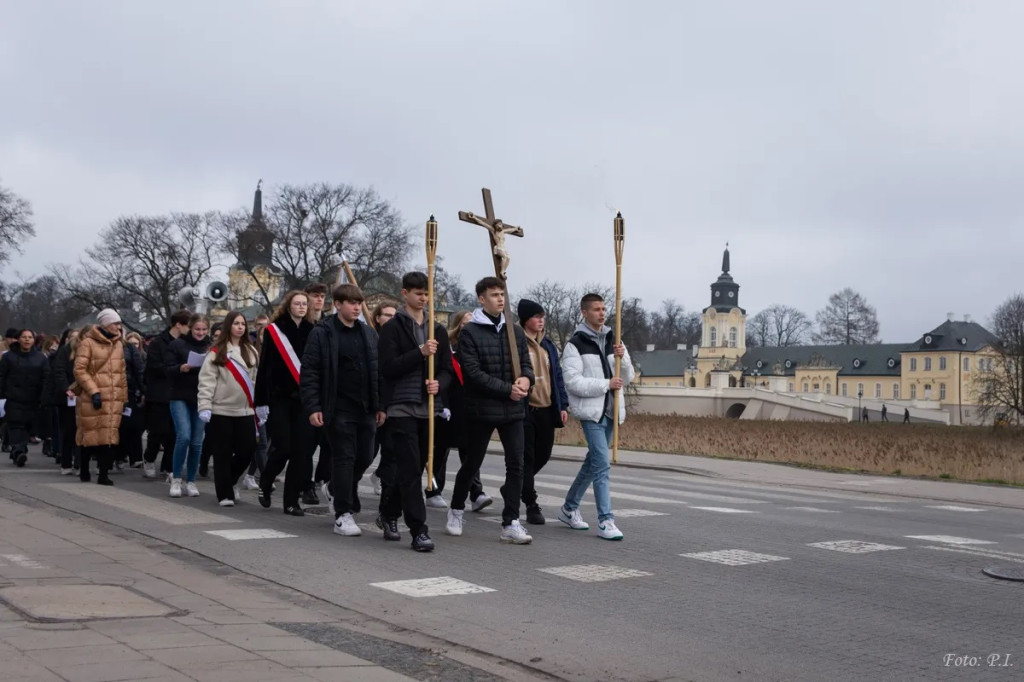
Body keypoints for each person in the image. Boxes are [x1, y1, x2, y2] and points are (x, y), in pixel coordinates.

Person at [446, 277, 535, 545]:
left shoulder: (515, 331)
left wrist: (526, 381)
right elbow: (472, 373)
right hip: (482, 408)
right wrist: (507, 388)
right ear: (481, 300)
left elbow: (526, 364)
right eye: (494, 295)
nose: (500, 299)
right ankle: (457, 509)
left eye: (502, 295)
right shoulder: (471, 331)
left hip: (513, 409)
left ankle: (511, 522)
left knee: (516, 464)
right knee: (472, 463)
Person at [300, 284, 390, 542]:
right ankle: (343, 513)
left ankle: (335, 488)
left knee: (364, 456)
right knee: (344, 457)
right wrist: (313, 406)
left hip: (365, 407)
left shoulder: (368, 333)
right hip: (337, 407)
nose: (356, 307)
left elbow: (378, 372)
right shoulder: (323, 333)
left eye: (359, 303)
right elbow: (311, 371)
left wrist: (381, 405)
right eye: (351, 303)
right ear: (337, 304)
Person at [375, 273, 451, 551]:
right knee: (409, 469)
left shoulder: (437, 330)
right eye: (418, 293)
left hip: (429, 407)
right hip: (402, 407)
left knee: (415, 467)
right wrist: (419, 352)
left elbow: (446, 368)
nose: (423, 298)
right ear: (405, 293)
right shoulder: (394, 328)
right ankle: (419, 530)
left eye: (426, 293)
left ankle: (389, 513)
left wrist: (438, 383)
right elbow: (389, 368)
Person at [558, 292, 634, 541]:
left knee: (592, 464)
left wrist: (622, 360)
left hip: (613, 411)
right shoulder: (575, 344)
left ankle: (569, 508)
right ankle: (606, 520)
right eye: (596, 309)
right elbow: (572, 382)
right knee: (602, 465)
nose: (602, 313)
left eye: (603, 309)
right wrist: (606, 384)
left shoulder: (615, 338)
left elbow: (629, 377)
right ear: (585, 313)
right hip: (592, 413)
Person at [255, 290, 314, 515]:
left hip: (304, 400)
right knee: (283, 447)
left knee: (301, 452)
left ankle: (291, 501)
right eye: (297, 303)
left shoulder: (312, 330)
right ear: (288, 305)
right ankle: (266, 481)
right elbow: (265, 367)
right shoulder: (275, 330)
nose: (301, 307)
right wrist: (260, 401)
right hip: (279, 398)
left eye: (304, 304)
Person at [198, 311, 260, 506]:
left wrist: (261, 405)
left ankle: (231, 480)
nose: (240, 327)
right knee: (222, 453)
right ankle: (224, 493)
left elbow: (256, 380)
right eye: (236, 323)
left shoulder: (251, 350)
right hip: (221, 410)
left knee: (247, 450)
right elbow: (207, 381)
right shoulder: (217, 351)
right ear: (228, 326)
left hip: (246, 410)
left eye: (242, 323)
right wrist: (204, 406)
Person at [432, 310, 491, 511]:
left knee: (472, 451)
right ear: (458, 325)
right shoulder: (448, 348)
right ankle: (434, 489)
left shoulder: (478, 349)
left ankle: (476, 493)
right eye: (465, 323)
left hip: (470, 405)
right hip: (449, 405)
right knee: (441, 449)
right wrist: (441, 404)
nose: (469, 327)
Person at [517, 299, 569, 525]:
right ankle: (531, 504)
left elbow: (556, 376)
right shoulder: (516, 341)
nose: (541, 321)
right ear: (526, 319)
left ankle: (516, 483)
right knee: (526, 458)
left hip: (547, 408)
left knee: (544, 454)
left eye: (543, 317)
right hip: (525, 408)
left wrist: (563, 405)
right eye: (537, 316)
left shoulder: (548, 344)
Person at [73, 310, 128, 485]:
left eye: (119, 324)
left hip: (114, 397)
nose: (118, 327)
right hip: (92, 396)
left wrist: (124, 397)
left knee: (109, 436)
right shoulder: (87, 343)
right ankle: (84, 469)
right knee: (89, 434)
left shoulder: (119, 344)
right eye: (115, 323)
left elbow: (122, 372)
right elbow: (79, 370)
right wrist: (94, 391)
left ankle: (103, 474)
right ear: (105, 324)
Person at [164, 314, 212, 498]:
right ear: (190, 329)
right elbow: (166, 369)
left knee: (197, 441)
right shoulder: (177, 345)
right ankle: (176, 478)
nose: (200, 333)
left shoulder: (211, 347)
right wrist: (180, 368)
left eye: (203, 329)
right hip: (179, 395)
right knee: (183, 436)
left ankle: (191, 480)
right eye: (197, 329)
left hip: (202, 397)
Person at [143, 310, 190, 479]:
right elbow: (153, 368)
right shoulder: (158, 343)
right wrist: (175, 369)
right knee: (157, 431)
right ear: (178, 324)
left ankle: (169, 466)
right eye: (188, 326)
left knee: (175, 433)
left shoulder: (186, 343)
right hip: (159, 394)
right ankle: (149, 458)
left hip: (178, 392)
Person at [0, 329, 50, 467]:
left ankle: (18, 450)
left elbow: (46, 378)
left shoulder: (40, 358)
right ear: (18, 339)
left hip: (33, 398)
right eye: (24, 337)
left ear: (34, 340)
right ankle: (18, 451)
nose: (27, 340)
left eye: (30, 337)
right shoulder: (8, 357)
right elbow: (2, 376)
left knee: (28, 426)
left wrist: (44, 396)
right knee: (16, 425)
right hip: (14, 398)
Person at [366, 299, 398, 497]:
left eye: (394, 315)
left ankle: (381, 477)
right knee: (368, 451)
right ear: (377, 318)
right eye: (387, 315)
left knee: (391, 449)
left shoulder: (397, 339)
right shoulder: (370, 338)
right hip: (373, 402)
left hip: (393, 401)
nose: (391, 319)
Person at [49, 328, 83, 475]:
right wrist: (66, 389)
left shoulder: (87, 351)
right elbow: (59, 371)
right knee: (69, 431)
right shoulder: (64, 351)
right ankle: (66, 462)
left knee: (81, 431)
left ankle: (79, 463)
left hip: (84, 395)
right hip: (67, 397)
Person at [116, 328, 146, 470]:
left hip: (132, 392)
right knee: (121, 427)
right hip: (117, 390)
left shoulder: (139, 355)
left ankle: (135, 457)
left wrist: (144, 391)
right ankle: (118, 456)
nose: (134, 345)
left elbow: (140, 372)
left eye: (136, 343)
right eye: (132, 343)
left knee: (134, 426)